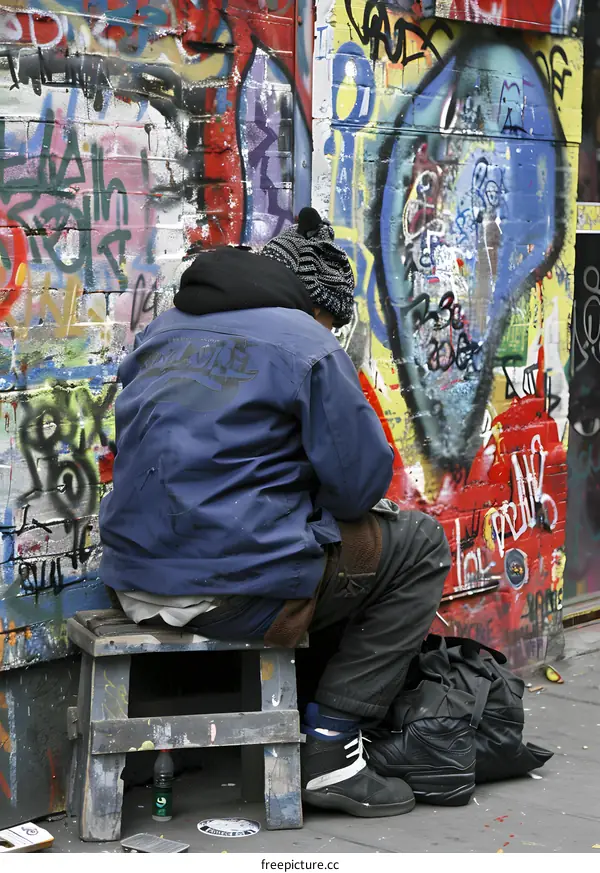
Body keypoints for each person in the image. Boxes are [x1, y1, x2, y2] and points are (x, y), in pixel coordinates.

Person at [99, 208, 450, 818]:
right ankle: (332, 749)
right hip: (238, 595)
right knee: (419, 542)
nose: (334, 334)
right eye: (334, 322)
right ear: (316, 308)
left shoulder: (164, 331)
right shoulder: (305, 343)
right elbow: (359, 485)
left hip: (134, 579)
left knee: (312, 539)